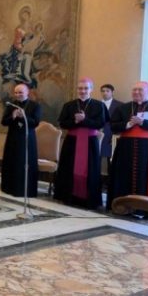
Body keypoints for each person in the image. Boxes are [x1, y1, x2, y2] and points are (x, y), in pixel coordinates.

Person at [53, 79, 107, 209]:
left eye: (86, 88)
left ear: (91, 89)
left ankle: (88, 200)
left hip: (90, 142)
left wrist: (85, 120)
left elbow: (101, 123)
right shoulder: (69, 105)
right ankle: (68, 196)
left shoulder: (99, 105)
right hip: (72, 141)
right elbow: (62, 123)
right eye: (80, 88)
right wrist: (75, 121)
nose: (82, 91)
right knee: (68, 168)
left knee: (91, 169)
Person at [1, 83, 41, 197]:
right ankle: (10, 188)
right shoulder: (11, 105)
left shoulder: (35, 105)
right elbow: (4, 122)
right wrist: (13, 116)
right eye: (16, 92)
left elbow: (35, 122)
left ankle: (25, 190)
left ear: (27, 92)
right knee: (12, 162)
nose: (18, 94)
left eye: (20, 92)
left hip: (27, 139)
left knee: (24, 163)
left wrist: (23, 116)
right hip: (12, 138)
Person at [100, 84, 121, 170]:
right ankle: (95, 177)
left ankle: (111, 178)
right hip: (98, 134)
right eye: (103, 91)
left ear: (112, 92)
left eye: (107, 91)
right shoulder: (96, 104)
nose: (105, 93)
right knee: (96, 157)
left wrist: (116, 135)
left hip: (112, 135)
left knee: (111, 159)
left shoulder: (119, 105)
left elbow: (121, 121)